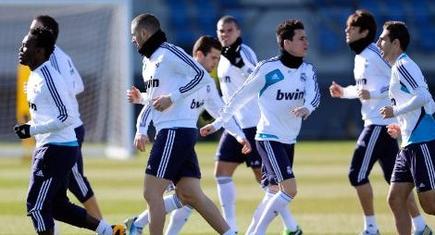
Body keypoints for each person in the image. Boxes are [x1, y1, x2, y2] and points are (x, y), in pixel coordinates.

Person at [124, 35, 251, 235]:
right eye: (214, 58)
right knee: (185, 195)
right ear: (199, 54)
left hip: (183, 138)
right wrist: (141, 125)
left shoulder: (206, 83)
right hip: (173, 135)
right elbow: (158, 100)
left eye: (218, 59)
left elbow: (221, 112)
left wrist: (239, 135)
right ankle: (138, 224)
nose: (216, 64)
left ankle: (137, 224)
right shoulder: (179, 73)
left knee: (186, 195)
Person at [210, 19, 320, 235]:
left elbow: (314, 95)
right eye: (301, 38)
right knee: (289, 189)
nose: (306, 42)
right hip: (267, 136)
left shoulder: (308, 70)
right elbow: (238, 97)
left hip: (288, 139)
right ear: (287, 43)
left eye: (306, 38)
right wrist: (218, 122)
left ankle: (280, 228)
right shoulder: (268, 68)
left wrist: (307, 108)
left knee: (272, 191)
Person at [15, 27, 124, 235]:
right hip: (52, 148)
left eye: (26, 45)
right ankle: (109, 231)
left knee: (36, 206)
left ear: (39, 51)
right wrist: (32, 127)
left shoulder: (48, 77)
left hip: (56, 150)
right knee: (56, 205)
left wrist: (33, 129)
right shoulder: (36, 76)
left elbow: (67, 117)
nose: (21, 49)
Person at [329, 10, 429, 235]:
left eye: (351, 28)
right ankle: (420, 226)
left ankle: (371, 228)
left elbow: (396, 81)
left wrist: (374, 95)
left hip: (379, 123)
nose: (346, 31)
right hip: (383, 123)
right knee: (396, 183)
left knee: (356, 174)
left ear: (364, 31)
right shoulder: (359, 57)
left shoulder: (378, 54)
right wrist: (344, 92)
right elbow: (364, 89)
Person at [29, 15, 103, 222]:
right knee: (55, 192)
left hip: (65, 129)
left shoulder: (50, 59)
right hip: (57, 129)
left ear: (45, 33)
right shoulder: (61, 56)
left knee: (75, 182)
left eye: (33, 30)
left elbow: (67, 88)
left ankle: (106, 228)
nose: (29, 34)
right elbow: (78, 85)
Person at [378, 21, 435, 235]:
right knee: (395, 199)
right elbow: (423, 103)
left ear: (396, 43)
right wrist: (401, 128)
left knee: (430, 206)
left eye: (382, 39)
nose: (378, 43)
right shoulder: (397, 68)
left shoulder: (403, 65)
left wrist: (395, 111)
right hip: (409, 143)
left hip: (423, 141)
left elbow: (423, 96)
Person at [214, 15, 262, 232]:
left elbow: (259, 79)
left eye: (229, 30)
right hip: (234, 125)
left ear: (239, 31)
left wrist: (241, 65)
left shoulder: (244, 52)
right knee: (221, 171)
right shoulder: (222, 56)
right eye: (221, 31)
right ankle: (230, 226)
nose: (225, 34)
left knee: (264, 179)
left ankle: (291, 224)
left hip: (252, 123)